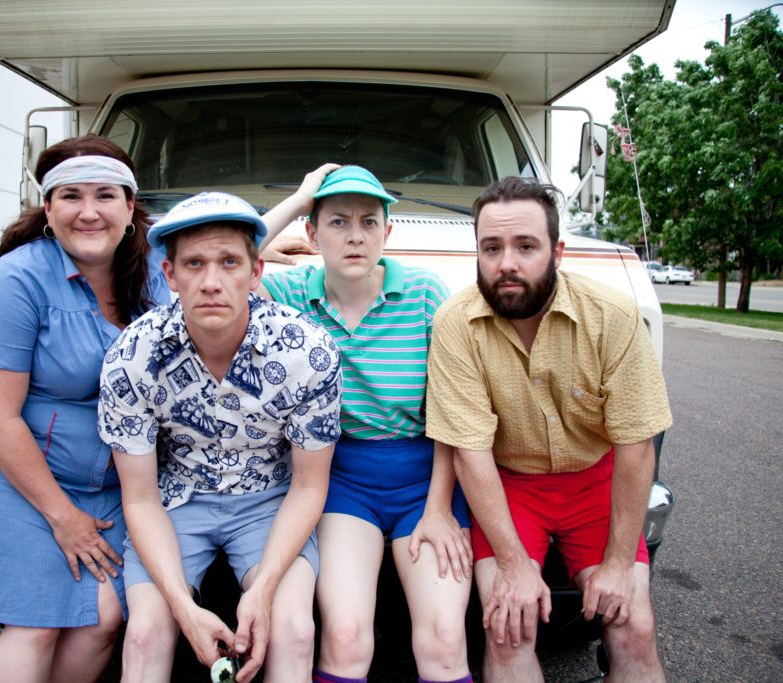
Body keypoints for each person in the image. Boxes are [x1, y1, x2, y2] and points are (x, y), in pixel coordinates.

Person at [425, 176, 672, 682]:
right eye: (491, 248)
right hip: (510, 484)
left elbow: (636, 445)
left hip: (596, 479)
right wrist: (514, 564)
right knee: (507, 624)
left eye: (526, 246)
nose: (506, 263)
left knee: (634, 627)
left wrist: (618, 565)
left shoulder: (612, 316)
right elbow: (470, 452)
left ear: (556, 252)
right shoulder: (455, 323)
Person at [97, 191, 343, 682]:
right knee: (145, 633)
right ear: (170, 275)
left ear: (255, 273)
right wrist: (183, 608)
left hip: (269, 499)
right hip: (176, 498)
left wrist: (263, 590)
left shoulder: (307, 353)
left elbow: (309, 485)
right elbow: (140, 498)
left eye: (229, 262)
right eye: (194, 264)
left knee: (294, 630)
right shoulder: (133, 355)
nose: (211, 282)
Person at [0, 135, 169, 681]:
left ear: (130, 207)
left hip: (107, 477)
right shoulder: (18, 277)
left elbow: (224, 245)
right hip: (14, 468)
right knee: (37, 623)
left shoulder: (152, 264)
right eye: (71, 196)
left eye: (105, 196)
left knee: (104, 616)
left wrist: (285, 230)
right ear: (48, 209)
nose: (88, 212)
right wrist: (63, 518)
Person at [259, 165, 475, 683]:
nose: (355, 235)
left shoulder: (424, 294)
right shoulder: (291, 293)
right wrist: (300, 197)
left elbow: (452, 412)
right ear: (312, 233)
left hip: (427, 479)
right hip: (341, 480)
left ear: (386, 232)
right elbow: (224, 257)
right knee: (345, 635)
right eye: (337, 221)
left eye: (368, 222)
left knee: (446, 638)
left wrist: (439, 508)